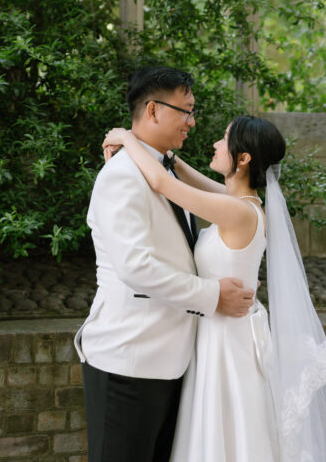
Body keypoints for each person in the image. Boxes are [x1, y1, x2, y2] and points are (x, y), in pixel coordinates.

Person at [102, 113, 326, 462]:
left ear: (243, 159)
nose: (215, 144)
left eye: (224, 139)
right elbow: (189, 180)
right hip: (225, 328)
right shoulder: (245, 205)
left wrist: (127, 137)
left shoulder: (238, 213)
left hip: (227, 341)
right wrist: (167, 155)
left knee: (228, 434)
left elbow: (160, 183)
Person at [74, 66, 255, 462]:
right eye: (185, 111)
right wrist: (213, 295)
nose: (192, 121)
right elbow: (135, 266)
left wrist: (126, 137)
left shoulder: (164, 168)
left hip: (175, 361)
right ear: (153, 110)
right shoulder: (121, 175)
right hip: (128, 359)